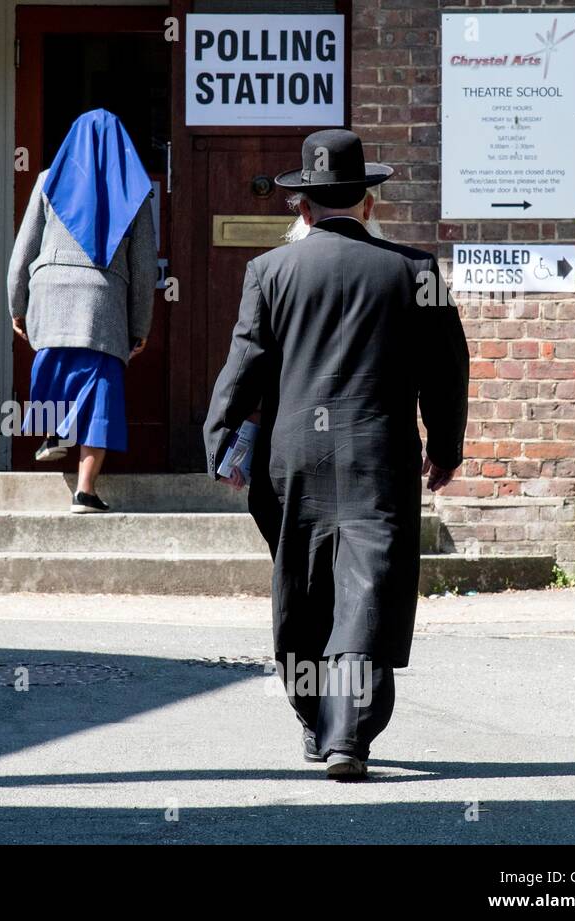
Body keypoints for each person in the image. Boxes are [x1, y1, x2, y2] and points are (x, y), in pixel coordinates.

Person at [204, 128, 469, 780]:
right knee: (368, 590)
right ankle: (348, 731)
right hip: (378, 456)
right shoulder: (416, 272)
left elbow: (245, 365)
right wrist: (446, 444)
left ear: (303, 206)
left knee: (302, 583)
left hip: (289, 457)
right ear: (369, 201)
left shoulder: (268, 272)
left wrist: (220, 438)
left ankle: (315, 717)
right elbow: (447, 367)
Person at [6, 109, 157, 514]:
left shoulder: (47, 180)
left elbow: (23, 251)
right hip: (103, 303)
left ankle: (53, 432)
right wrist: (140, 325)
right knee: (101, 393)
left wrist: (17, 306)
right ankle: (85, 491)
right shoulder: (135, 190)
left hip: (51, 293)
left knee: (53, 364)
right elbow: (144, 268)